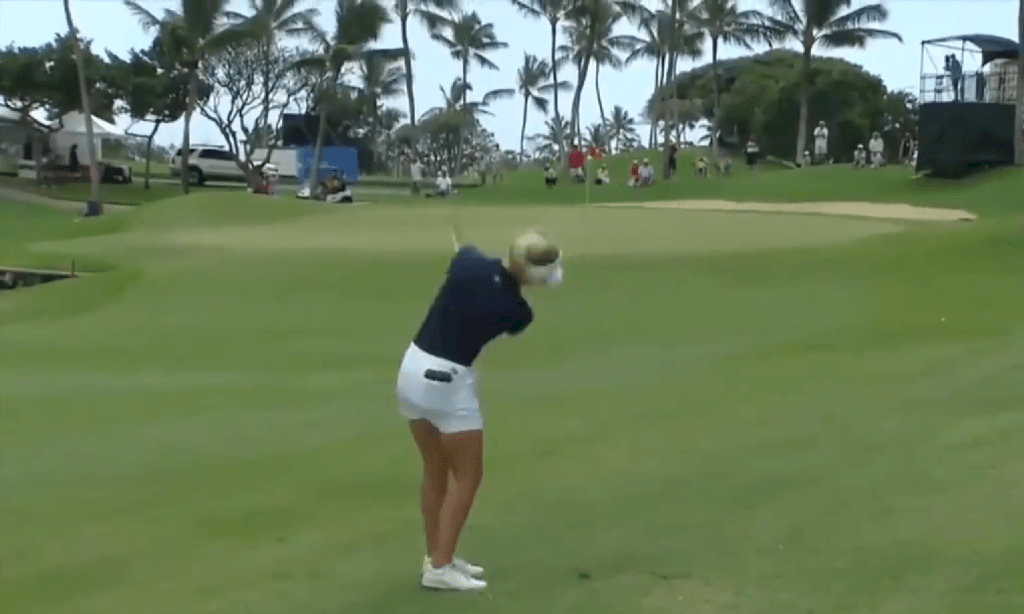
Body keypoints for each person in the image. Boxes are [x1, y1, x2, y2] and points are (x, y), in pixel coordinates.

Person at [397, 229, 563, 591]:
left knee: (435, 468)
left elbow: (468, 259)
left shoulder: (469, 263)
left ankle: (436, 556)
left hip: (411, 370)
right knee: (468, 475)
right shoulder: (518, 312)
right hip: (448, 382)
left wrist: (469, 263)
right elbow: (504, 289)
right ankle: (440, 566)